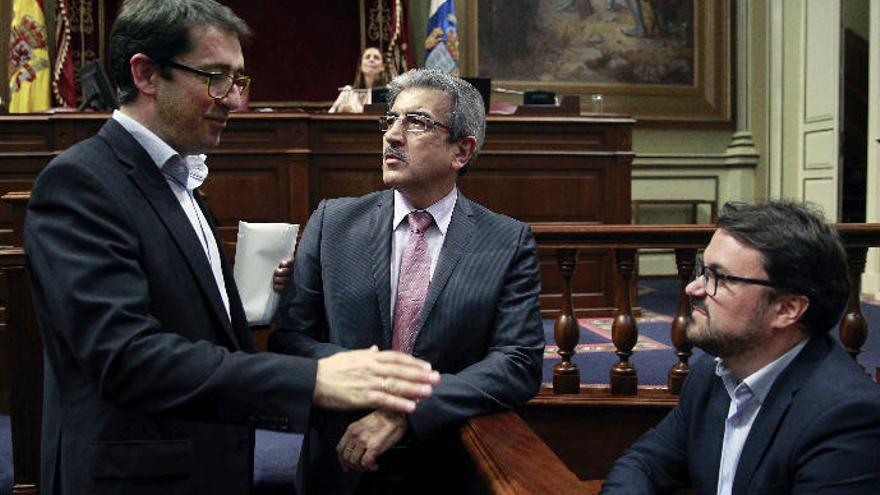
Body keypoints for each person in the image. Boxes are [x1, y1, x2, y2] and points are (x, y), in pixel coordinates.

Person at [23, 1, 440, 493]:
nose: (234, 100)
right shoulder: (81, 183)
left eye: (240, 81)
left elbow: (202, 330)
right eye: (216, 77)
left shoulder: (181, 179)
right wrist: (312, 380)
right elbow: (126, 358)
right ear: (146, 74)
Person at [269, 68, 545, 494]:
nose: (392, 136)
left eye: (416, 122)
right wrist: (374, 379)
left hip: (445, 461)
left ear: (462, 151)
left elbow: (517, 363)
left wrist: (408, 411)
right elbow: (289, 338)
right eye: (390, 120)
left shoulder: (506, 240)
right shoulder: (333, 222)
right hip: (340, 461)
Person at [601, 201, 880, 494]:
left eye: (718, 278)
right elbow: (643, 465)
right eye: (702, 270)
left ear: (787, 309)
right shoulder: (713, 374)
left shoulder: (848, 418)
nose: (693, 288)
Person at [329, 47, 389, 113]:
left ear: (383, 67)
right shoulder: (347, 92)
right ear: (360, 66)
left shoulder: (388, 92)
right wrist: (340, 109)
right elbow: (330, 115)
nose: (371, 60)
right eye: (367, 57)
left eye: (376, 57)